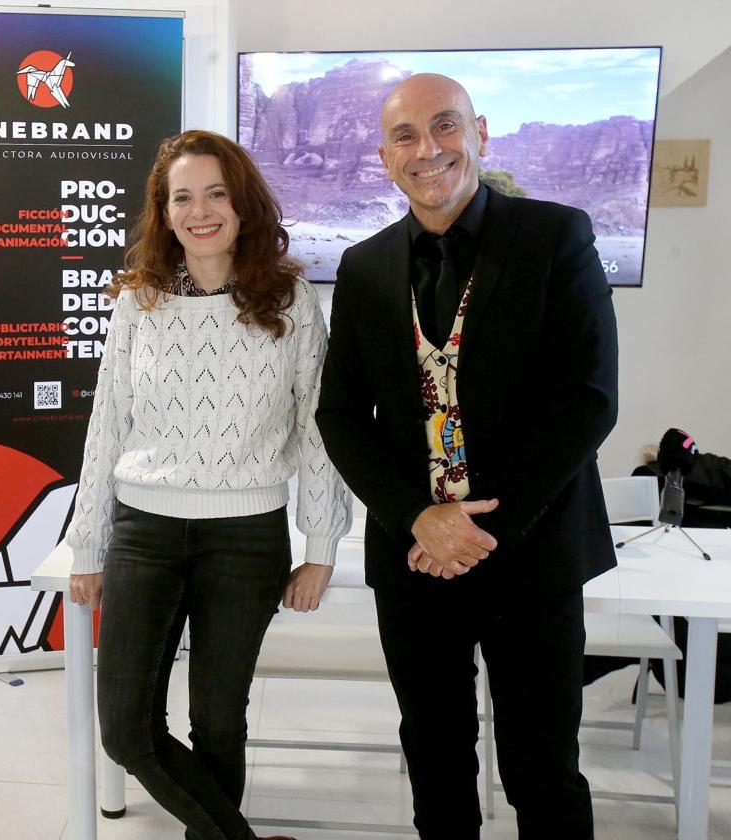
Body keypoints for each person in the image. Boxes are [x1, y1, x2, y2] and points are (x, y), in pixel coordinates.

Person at [316, 73, 618, 839]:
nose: (429, 150)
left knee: (541, 768)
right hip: (415, 558)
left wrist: (479, 526)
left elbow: (587, 399)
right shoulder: (363, 266)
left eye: (445, 127)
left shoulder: (557, 236)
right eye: (406, 137)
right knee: (434, 759)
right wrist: (421, 518)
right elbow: (341, 415)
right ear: (386, 159)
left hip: (533, 552)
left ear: (480, 133)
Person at [65, 129, 352, 840]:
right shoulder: (139, 301)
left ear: (243, 203)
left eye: (215, 193)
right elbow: (108, 422)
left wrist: (320, 544)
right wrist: (87, 545)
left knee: (218, 722)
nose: (200, 211)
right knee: (127, 729)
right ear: (163, 213)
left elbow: (320, 425)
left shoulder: (290, 299)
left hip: (246, 538)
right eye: (181, 197)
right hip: (143, 534)